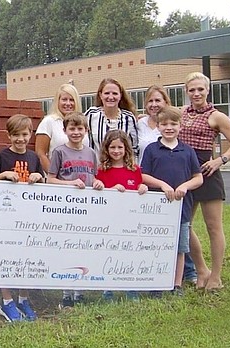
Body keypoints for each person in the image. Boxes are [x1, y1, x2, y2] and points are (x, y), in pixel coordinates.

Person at [178, 72, 230, 291]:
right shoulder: (181, 114)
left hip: (208, 172)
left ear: (207, 90)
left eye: (200, 89)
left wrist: (219, 160)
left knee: (214, 227)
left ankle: (215, 277)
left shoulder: (217, 116)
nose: (196, 93)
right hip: (187, 173)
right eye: (192, 89)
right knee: (184, 225)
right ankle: (201, 269)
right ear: (187, 92)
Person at [137, 86, 198, 284]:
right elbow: (143, 175)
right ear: (159, 126)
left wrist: (185, 186)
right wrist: (162, 184)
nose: (169, 127)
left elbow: (198, 177)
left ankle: (177, 283)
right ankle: (156, 279)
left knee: (180, 247)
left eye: (173, 124)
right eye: (164, 124)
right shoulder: (153, 150)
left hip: (181, 206)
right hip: (157, 206)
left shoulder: (187, 151)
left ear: (180, 126)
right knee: (157, 244)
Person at [0, 114, 44, 322]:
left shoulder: (33, 157)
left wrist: (38, 177)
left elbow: (41, 180)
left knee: (26, 258)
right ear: (9, 136)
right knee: (5, 258)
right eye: (16, 135)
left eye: (24, 134)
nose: (20, 139)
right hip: (6, 219)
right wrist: (4, 175)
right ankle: (7, 301)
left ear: (30, 135)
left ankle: (23, 298)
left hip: (28, 216)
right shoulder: (2, 157)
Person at [47, 112, 104, 308]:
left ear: (86, 131)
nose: (76, 132)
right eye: (72, 128)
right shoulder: (59, 152)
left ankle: (79, 292)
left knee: (83, 247)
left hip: (87, 209)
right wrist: (69, 183)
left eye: (80, 129)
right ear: (65, 131)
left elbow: (94, 177)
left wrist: (97, 183)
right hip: (67, 207)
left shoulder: (91, 153)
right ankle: (66, 293)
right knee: (67, 248)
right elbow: (50, 179)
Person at [96, 130, 148, 302]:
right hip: (109, 221)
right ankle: (107, 288)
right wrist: (110, 190)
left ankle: (131, 288)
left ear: (126, 149)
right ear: (106, 149)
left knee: (130, 254)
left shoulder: (134, 169)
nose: (116, 151)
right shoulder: (102, 170)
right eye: (112, 147)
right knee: (109, 253)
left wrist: (143, 188)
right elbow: (99, 193)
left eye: (120, 147)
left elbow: (140, 187)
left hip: (130, 222)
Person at [35, 83, 88, 172]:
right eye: (64, 99)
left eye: (71, 100)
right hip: (58, 178)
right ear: (58, 101)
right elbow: (40, 153)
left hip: (81, 177)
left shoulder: (83, 122)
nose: (68, 103)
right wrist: (53, 175)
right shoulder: (49, 121)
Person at [85, 78, 139, 158]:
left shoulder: (129, 118)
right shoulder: (91, 114)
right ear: (100, 95)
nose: (110, 97)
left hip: (120, 168)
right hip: (97, 167)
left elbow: (134, 148)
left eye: (114, 93)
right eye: (107, 93)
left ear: (120, 95)